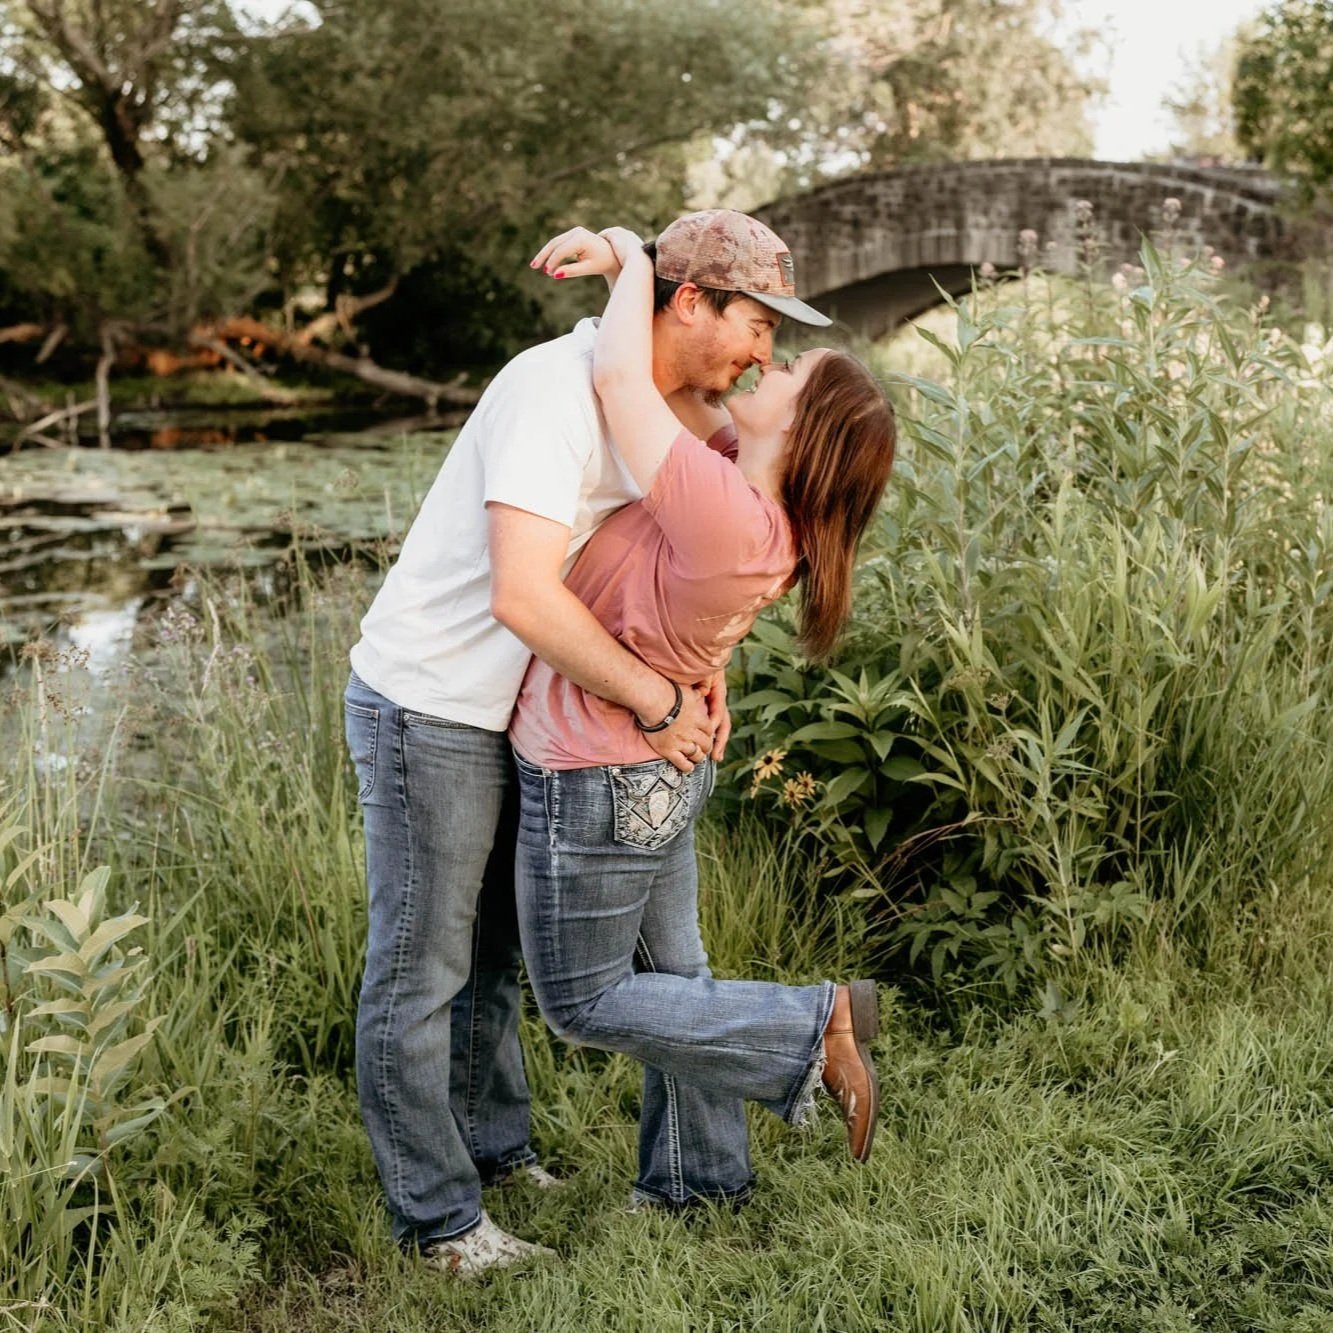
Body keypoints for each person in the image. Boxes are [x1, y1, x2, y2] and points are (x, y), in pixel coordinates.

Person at [343, 209, 835, 1274]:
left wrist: (701, 677)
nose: (766, 353)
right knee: (422, 967)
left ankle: (496, 1151)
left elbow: (693, 571)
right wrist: (659, 704)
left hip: (529, 709)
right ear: (688, 301)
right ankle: (438, 1221)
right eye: (756, 324)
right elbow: (524, 594)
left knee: (495, 960)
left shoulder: (686, 415)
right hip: (431, 701)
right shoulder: (550, 391)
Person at [509, 217, 897, 1211]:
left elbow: (620, 383)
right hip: (657, 762)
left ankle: (813, 1028)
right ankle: (698, 1178)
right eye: (776, 342)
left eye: (796, 374)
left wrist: (633, 258)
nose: (777, 361)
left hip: (599, 767)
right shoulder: (745, 494)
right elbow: (679, 395)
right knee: (677, 975)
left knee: (583, 1000)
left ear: (804, 435)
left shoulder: (727, 509)